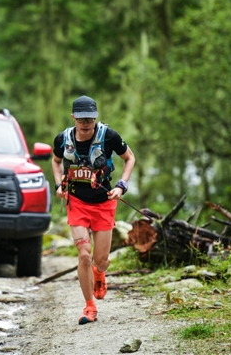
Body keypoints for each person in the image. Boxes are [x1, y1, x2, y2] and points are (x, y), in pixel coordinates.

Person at [51, 95, 135, 325]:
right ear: (73, 118)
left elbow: (130, 158)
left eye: (89, 118)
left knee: (101, 260)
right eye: (81, 119)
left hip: (104, 202)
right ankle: (89, 307)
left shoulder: (109, 137)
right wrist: (59, 185)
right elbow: (56, 161)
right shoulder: (63, 139)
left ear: (96, 117)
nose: (86, 123)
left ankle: (100, 274)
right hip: (77, 202)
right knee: (84, 255)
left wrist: (121, 186)